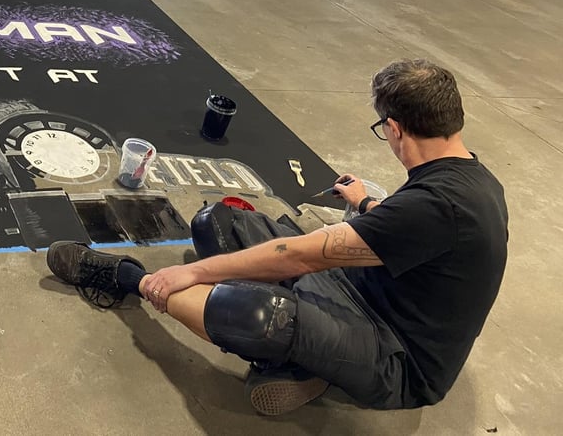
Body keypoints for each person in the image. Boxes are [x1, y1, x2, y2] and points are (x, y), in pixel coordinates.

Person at [47, 59, 508, 416]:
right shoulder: (466, 175)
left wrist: (188, 273)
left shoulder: (439, 205)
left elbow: (300, 257)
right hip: (362, 290)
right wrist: (366, 205)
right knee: (216, 223)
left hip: (398, 358)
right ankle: (299, 363)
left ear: (394, 128)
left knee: (255, 312)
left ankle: (129, 278)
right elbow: (412, 231)